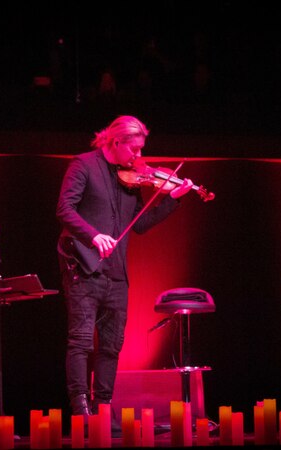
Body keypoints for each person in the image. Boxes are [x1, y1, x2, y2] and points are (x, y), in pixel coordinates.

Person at [56, 115, 195, 425]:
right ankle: (80, 410)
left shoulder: (131, 177)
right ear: (115, 142)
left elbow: (141, 224)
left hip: (116, 272)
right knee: (80, 340)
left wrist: (172, 199)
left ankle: (103, 408)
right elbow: (64, 209)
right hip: (83, 266)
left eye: (140, 150)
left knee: (112, 344)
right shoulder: (83, 165)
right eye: (134, 150)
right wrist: (93, 235)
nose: (139, 157)